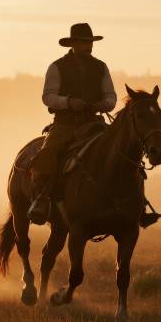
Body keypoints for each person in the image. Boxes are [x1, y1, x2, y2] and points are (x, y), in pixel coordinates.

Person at [27, 23, 117, 225]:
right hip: (64, 124)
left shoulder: (101, 67)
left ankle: (135, 203)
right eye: (84, 42)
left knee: (120, 149)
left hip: (94, 123)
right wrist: (68, 102)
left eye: (90, 42)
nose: (89, 46)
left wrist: (105, 104)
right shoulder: (57, 66)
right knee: (47, 156)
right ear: (74, 43)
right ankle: (40, 201)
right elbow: (48, 97)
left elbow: (111, 95)